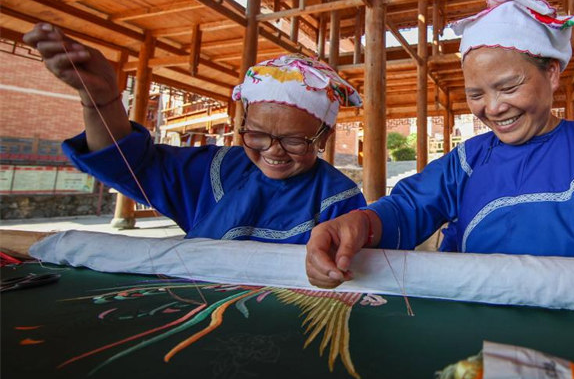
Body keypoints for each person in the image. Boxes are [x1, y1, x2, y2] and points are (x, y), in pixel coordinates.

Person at [306, 0, 574, 288]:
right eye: (476, 94)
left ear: (551, 73)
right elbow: (408, 208)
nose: (493, 107)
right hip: (476, 330)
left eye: (508, 87)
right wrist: (359, 224)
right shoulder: (468, 161)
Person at [22, 23, 366, 242]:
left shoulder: (340, 199)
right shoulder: (212, 170)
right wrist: (101, 100)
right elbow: (126, 163)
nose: (273, 151)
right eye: (256, 135)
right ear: (241, 126)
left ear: (323, 138)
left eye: (293, 140)